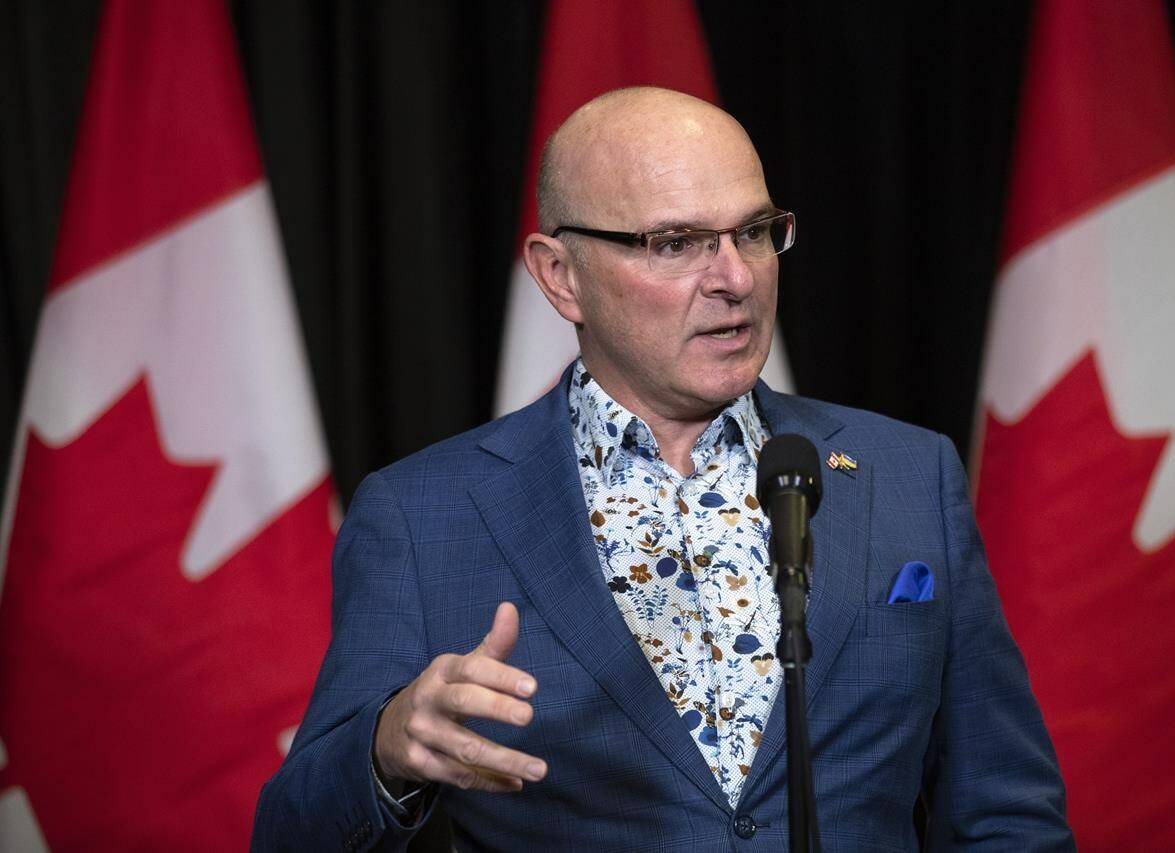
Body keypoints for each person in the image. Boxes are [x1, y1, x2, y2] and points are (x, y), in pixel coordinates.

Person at [252, 87, 1073, 851]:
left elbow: (1004, 809)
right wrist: (389, 749)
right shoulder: (425, 514)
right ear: (560, 275)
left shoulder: (907, 474)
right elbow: (294, 832)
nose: (736, 278)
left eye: (754, 232)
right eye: (676, 242)